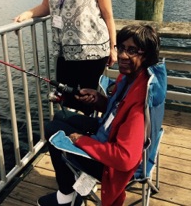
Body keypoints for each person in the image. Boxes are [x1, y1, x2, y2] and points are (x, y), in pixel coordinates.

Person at [37, 24, 166, 206]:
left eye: (132, 51)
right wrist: (99, 100)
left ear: (147, 56)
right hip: (110, 133)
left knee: (52, 130)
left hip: (117, 167)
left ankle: (67, 197)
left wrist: (81, 140)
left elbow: (125, 159)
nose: (122, 55)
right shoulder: (134, 77)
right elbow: (119, 111)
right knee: (60, 118)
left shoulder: (139, 105)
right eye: (120, 48)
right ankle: (75, 185)